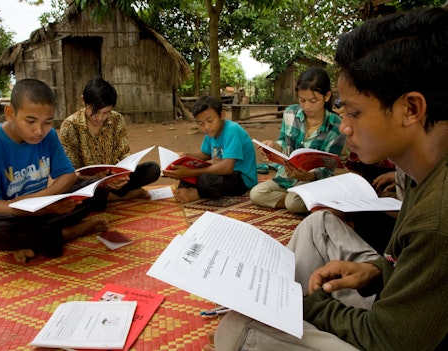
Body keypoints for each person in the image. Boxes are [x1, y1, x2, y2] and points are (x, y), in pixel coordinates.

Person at [206, 6, 448, 350]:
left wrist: (309, 307)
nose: (346, 125)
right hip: (404, 301)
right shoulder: (420, 172)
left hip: (393, 336)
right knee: (317, 224)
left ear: (411, 108)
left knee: (236, 330)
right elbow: (406, 259)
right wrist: (378, 270)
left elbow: (387, 338)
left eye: (355, 112)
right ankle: (276, 302)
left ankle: (278, 308)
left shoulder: (437, 220)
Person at [0, 78, 109, 264]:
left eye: (47, 122)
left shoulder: (48, 136)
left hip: (46, 210)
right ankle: (70, 232)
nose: (39, 131)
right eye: (30, 121)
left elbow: (66, 175)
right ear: (10, 113)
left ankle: (35, 239)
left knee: (97, 187)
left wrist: (44, 201)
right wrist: (38, 208)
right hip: (14, 217)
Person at [250, 67, 346, 213]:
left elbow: (329, 166)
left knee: (294, 202)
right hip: (286, 176)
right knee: (256, 193)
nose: (306, 106)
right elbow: (283, 141)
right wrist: (273, 147)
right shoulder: (290, 113)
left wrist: (308, 175)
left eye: (313, 101)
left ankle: (299, 199)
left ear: (326, 96)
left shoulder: (337, 125)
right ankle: (298, 199)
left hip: (315, 181)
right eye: (302, 100)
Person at [59, 76, 160, 201]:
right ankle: (122, 196)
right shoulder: (70, 126)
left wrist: (124, 175)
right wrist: (97, 179)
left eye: (106, 112)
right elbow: (71, 172)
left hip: (114, 177)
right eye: (95, 112)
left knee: (152, 169)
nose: (100, 118)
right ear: (83, 101)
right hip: (88, 183)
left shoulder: (117, 119)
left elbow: (124, 153)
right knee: (72, 190)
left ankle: (110, 196)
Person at [162, 95, 258, 203]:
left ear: (221, 115)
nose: (206, 127)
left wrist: (189, 173)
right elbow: (205, 154)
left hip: (241, 179)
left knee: (206, 180)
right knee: (186, 169)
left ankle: (197, 193)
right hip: (221, 173)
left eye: (210, 121)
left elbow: (227, 168)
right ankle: (189, 189)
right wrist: (184, 156)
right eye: (200, 123)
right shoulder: (211, 132)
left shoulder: (232, 130)